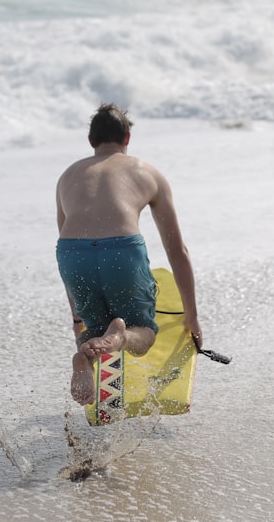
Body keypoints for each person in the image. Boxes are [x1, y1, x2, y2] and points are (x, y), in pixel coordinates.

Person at [55, 103, 202, 405]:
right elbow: (177, 250)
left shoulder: (67, 176)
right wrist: (192, 317)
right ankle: (121, 337)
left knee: (93, 331)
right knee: (143, 332)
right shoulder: (145, 171)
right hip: (121, 250)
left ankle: (84, 354)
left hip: (73, 255)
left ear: (91, 141)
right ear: (127, 139)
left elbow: (66, 245)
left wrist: (75, 318)